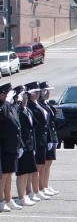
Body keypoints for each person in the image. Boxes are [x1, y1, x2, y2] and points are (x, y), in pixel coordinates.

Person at [13, 85, 40, 207]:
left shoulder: (27, 109)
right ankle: (21, 197)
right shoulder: (17, 110)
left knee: (28, 171)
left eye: (26, 95)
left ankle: (26, 194)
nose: (26, 97)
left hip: (29, 145)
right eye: (24, 95)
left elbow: (33, 126)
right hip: (22, 146)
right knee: (22, 172)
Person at [0, 83, 24, 211]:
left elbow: (17, 125)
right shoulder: (2, 107)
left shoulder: (10, 106)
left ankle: (8, 199)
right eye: (6, 93)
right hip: (4, 145)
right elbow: (3, 116)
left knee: (9, 174)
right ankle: (1, 201)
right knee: (3, 175)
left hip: (12, 144)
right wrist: (6, 102)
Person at [37, 81, 60, 197]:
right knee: (43, 164)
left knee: (49, 163)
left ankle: (45, 185)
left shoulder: (46, 104)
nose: (47, 93)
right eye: (45, 91)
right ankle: (41, 187)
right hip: (46, 138)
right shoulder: (39, 104)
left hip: (51, 136)